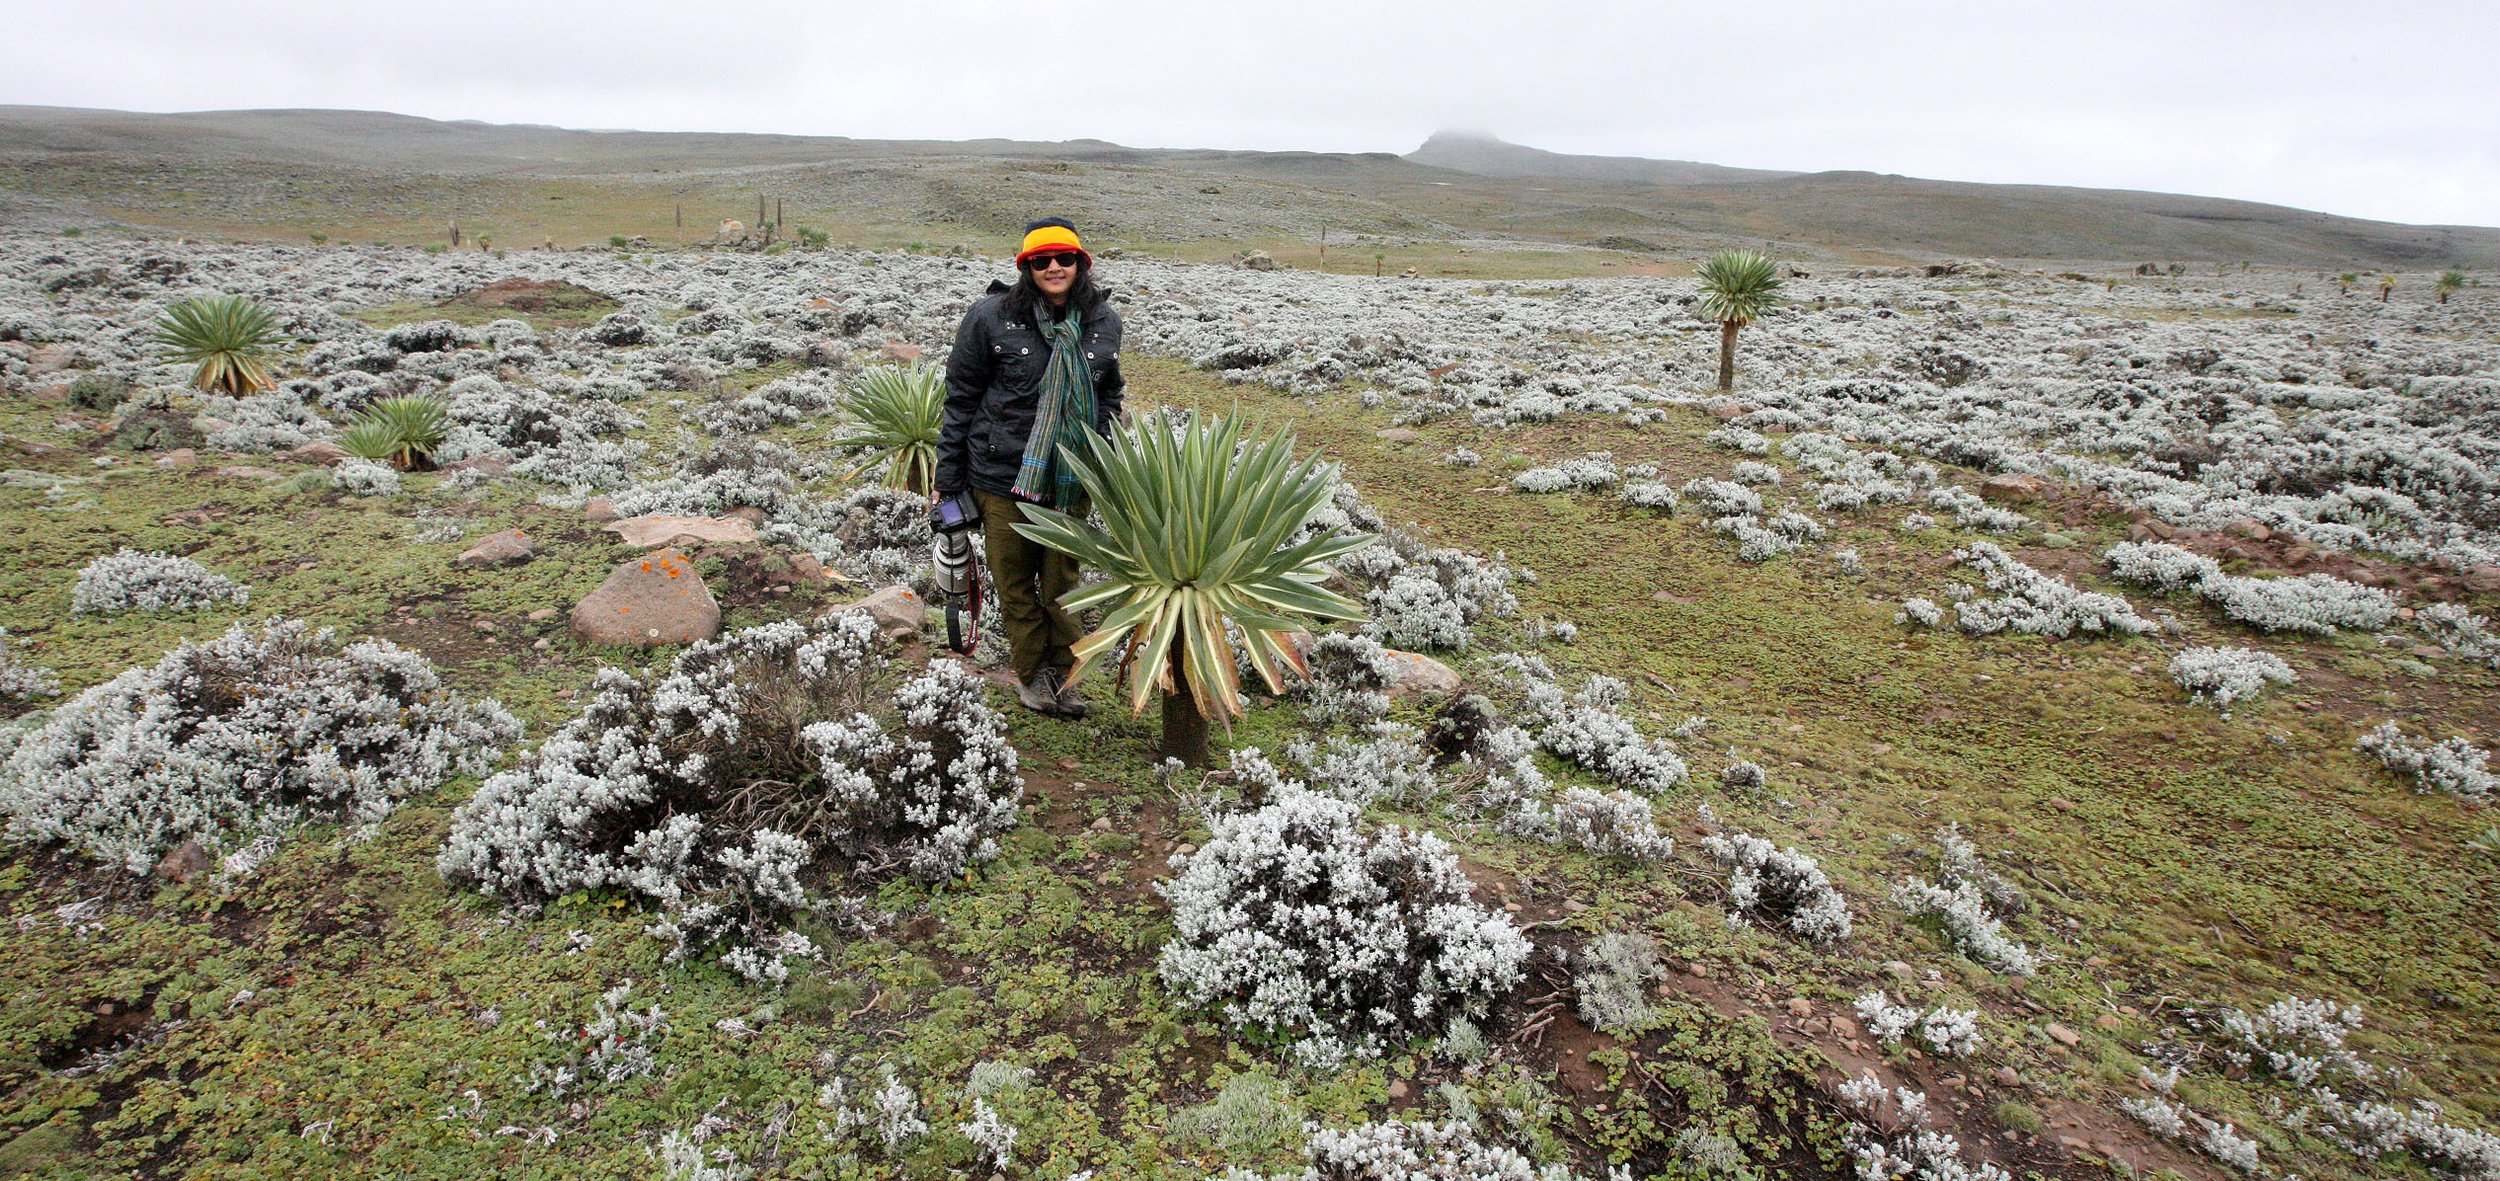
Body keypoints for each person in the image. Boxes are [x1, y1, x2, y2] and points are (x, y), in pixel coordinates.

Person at [936, 217, 1125, 717]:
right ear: (1026, 267)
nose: (1054, 267)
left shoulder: (1103, 321)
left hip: (1072, 476)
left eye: (1064, 258)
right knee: (1015, 582)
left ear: (1081, 263)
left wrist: (1096, 437)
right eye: (1041, 261)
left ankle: (1065, 674)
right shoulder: (990, 316)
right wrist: (948, 481)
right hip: (1003, 477)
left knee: (1062, 580)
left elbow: (1110, 389)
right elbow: (961, 399)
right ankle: (1031, 674)